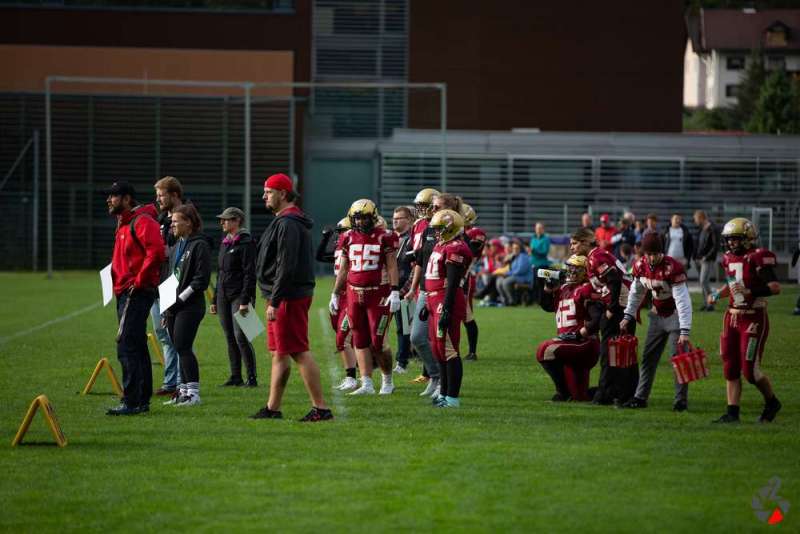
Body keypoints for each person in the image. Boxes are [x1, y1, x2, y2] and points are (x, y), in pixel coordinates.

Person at [251, 173, 331, 422]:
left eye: (269, 192)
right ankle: (272, 408)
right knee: (279, 352)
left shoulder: (288, 223)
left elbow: (286, 265)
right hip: (282, 294)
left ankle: (321, 409)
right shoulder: (286, 221)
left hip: (287, 296)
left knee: (298, 351)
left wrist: (275, 300)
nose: (264, 196)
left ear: (283, 193)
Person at [708, 218, 782, 424]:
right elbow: (733, 285)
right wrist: (717, 294)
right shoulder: (728, 258)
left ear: (748, 238)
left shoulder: (757, 257)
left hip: (752, 317)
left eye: (735, 238)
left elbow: (775, 287)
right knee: (730, 367)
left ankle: (772, 402)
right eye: (729, 239)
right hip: (731, 317)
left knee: (750, 371)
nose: (731, 243)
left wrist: (750, 291)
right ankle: (732, 413)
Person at [105, 181, 165, 415]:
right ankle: (141, 400)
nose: (109, 200)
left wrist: (138, 281)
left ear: (127, 199)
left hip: (135, 291)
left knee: (126, 344)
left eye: (113, 196)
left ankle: (131, 401)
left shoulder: (142, 221)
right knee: (137, 343)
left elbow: (156, 252)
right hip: (126, 291)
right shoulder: (124, 223)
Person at [331, 199, 400, 395]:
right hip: (354, 293)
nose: (360, 222)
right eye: (357, 218)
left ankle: (387, 381)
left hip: (378, 294)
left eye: (364, 218)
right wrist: (335, 293)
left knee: (378, 341)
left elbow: (392, 265)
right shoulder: (347, 237)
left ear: (373, 217)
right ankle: (366, 383)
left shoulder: (385, 236)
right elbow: (344, 269)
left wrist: (395, 290)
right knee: (359, 339)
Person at [619, 233, 692, 411]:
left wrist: (685, 330)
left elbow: (682, 300)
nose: (652, 258)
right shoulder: (640, 266)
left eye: (655, 253)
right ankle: (640, 397)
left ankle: (680, 401)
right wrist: (628, 315)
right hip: (656, 315)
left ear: (662, 252)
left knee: (678, 360)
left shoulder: (672, 267)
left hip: (675, 315)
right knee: (648, 358)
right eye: (649, 254)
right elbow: (636, 293)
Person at [570, 227, 636, 405]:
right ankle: (616, 391)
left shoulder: (596, 257)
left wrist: (612, 308)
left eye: (574, 243)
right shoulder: (596, 255)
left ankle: (607, 393)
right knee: (619, 352)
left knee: (610, 352)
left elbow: (614, 279)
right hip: (624, 306)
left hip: (620, 307)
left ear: (585, 242)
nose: (571, 247)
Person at [162, 203, 211, 407]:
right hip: (174, 307)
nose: (171, 225)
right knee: (178, 346)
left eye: (175, 221)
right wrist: (166, 308)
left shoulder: (200, 245)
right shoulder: (177, 246)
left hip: (190, 306)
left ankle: (193, 394)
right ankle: (182, 392)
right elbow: (170, 278)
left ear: (189, 223)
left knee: (183, 345)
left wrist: (179, 300)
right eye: (171, 221)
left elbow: (201, 280)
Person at [423, 209, 472, 407]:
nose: (436, 232)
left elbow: (452, 283)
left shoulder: (456, 248)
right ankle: (443, 394)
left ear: (450, 228)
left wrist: (446, 308)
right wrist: (427, 303)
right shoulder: (441, 245)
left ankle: (452, 398)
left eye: (439, 228)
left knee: (449, 349)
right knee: (438, 350)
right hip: (434, 300)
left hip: (445, 299)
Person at [536, 255, 603, 401]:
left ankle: (563, 393)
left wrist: (579, 334)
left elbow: (597, 319)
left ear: (585, 271)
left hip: (584, 343)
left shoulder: (587, 288)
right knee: (580, 397)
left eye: (576, 268)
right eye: (570, 267)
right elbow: (547, 306)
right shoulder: (564, 288)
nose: (571, 271)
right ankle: (611, 390)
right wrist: (547, 289)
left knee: (545, 350)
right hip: (568, 344)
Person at [210, 207, 257, 387]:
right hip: (223, 295)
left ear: (237, 220)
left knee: (241, 336)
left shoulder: (247, 242)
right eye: (221, 219)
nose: (222, 222)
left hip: (239, 295)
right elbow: (220, 272)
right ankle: (235, 376)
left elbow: (250, 273)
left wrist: (245, 300)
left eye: (226, 219)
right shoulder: (225, 242)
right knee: (229, 336)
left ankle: (251, 377)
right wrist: (215, 299)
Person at [404, 187, 442, 395]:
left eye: (426, 206)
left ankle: (443, 382)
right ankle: (435, 376)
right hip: (424, 287)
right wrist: (412, 287)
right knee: (417, 337)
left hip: (441, 289)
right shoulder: (421, 227)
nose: (422, 210)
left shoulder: (445, 228)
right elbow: (419, 258)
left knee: (438, 339)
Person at [317, 216, 358, 390]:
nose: (340, 236)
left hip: (351, 296)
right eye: (339, 232)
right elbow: (319, 256)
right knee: (341, 334)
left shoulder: (356, 248)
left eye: (343, 232)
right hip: (338, 296)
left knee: (343, 338)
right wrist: (325, 238)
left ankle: (352, 377)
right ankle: (359, 369)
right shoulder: (340, 248)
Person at [152, 176, 183, 396]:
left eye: (161, 195)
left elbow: (188, 247)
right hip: (159, 283)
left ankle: (182, 383)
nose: (158, 199)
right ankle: (171, 382)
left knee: (177, 336)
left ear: (174, 195)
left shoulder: (187, 216)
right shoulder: (161, 218)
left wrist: (168, 252)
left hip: (175, 284)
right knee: (162, 334)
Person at [461, 203, 486, 360]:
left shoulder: (476, 233)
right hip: (451, 276)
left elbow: (472, 251)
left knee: (466, 314)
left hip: (464, 277)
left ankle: (472, 351)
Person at [392, 206, 414, 373]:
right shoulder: (390, 238)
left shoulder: (411, 240)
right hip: (388, 289)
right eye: (394, 218)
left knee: (403, 327)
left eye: (399, 218)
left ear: (409, 220)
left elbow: (415, 268)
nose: (395, 221)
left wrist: (406, 289)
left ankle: (402, 362)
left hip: (404, 290)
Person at [693, 210, 720, 312]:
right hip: (699, 259)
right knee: (703, 283)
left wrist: (707, 257)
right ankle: (706, 303)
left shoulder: (712, 228)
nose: (695, 221)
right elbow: (699, 243)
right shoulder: (701, 228)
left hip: (707, 259)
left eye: (696, 219)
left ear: (701, 217)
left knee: (703, 281)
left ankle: (712, 301)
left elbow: (715, 246)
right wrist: (696, 256)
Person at [497, 240, 532, 306]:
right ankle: (505, 300)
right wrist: (506, 273)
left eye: (517, 248)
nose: (515, 250)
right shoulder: (515, 257)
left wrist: (508, 274)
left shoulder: (523, 257)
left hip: (524, 278)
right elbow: (512, 269)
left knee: (506, 282)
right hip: (516, 276)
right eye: (513, 248)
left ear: (520, 249)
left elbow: (520, 270)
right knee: (499, 280)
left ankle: (512, 301)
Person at [529, 222, 551, 304]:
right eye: (537, 228)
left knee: (541, 284)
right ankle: (536, 300)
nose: (538, 230)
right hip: (534, 264)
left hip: (542, 264)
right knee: (535, 284)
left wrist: (534, 250)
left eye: (540, 228)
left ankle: (542, 301)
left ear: (543, 229)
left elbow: (544, 252)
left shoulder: (546, 239)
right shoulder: (533, 238)